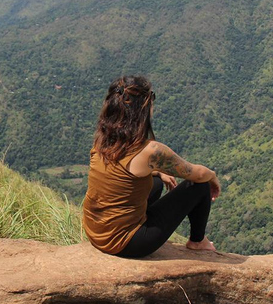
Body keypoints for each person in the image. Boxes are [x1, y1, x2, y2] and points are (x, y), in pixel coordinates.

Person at [82, 75, 221, 258]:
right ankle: (198, 241)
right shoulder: (150, 151)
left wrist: (159, 172)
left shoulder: (103, 139)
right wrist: (213, 177)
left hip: (95, 230)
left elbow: (126, 172)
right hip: (126, 243)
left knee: (155, 180)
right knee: (199, 186)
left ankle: (140, 213)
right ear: (143, 108)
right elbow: (197, 174)